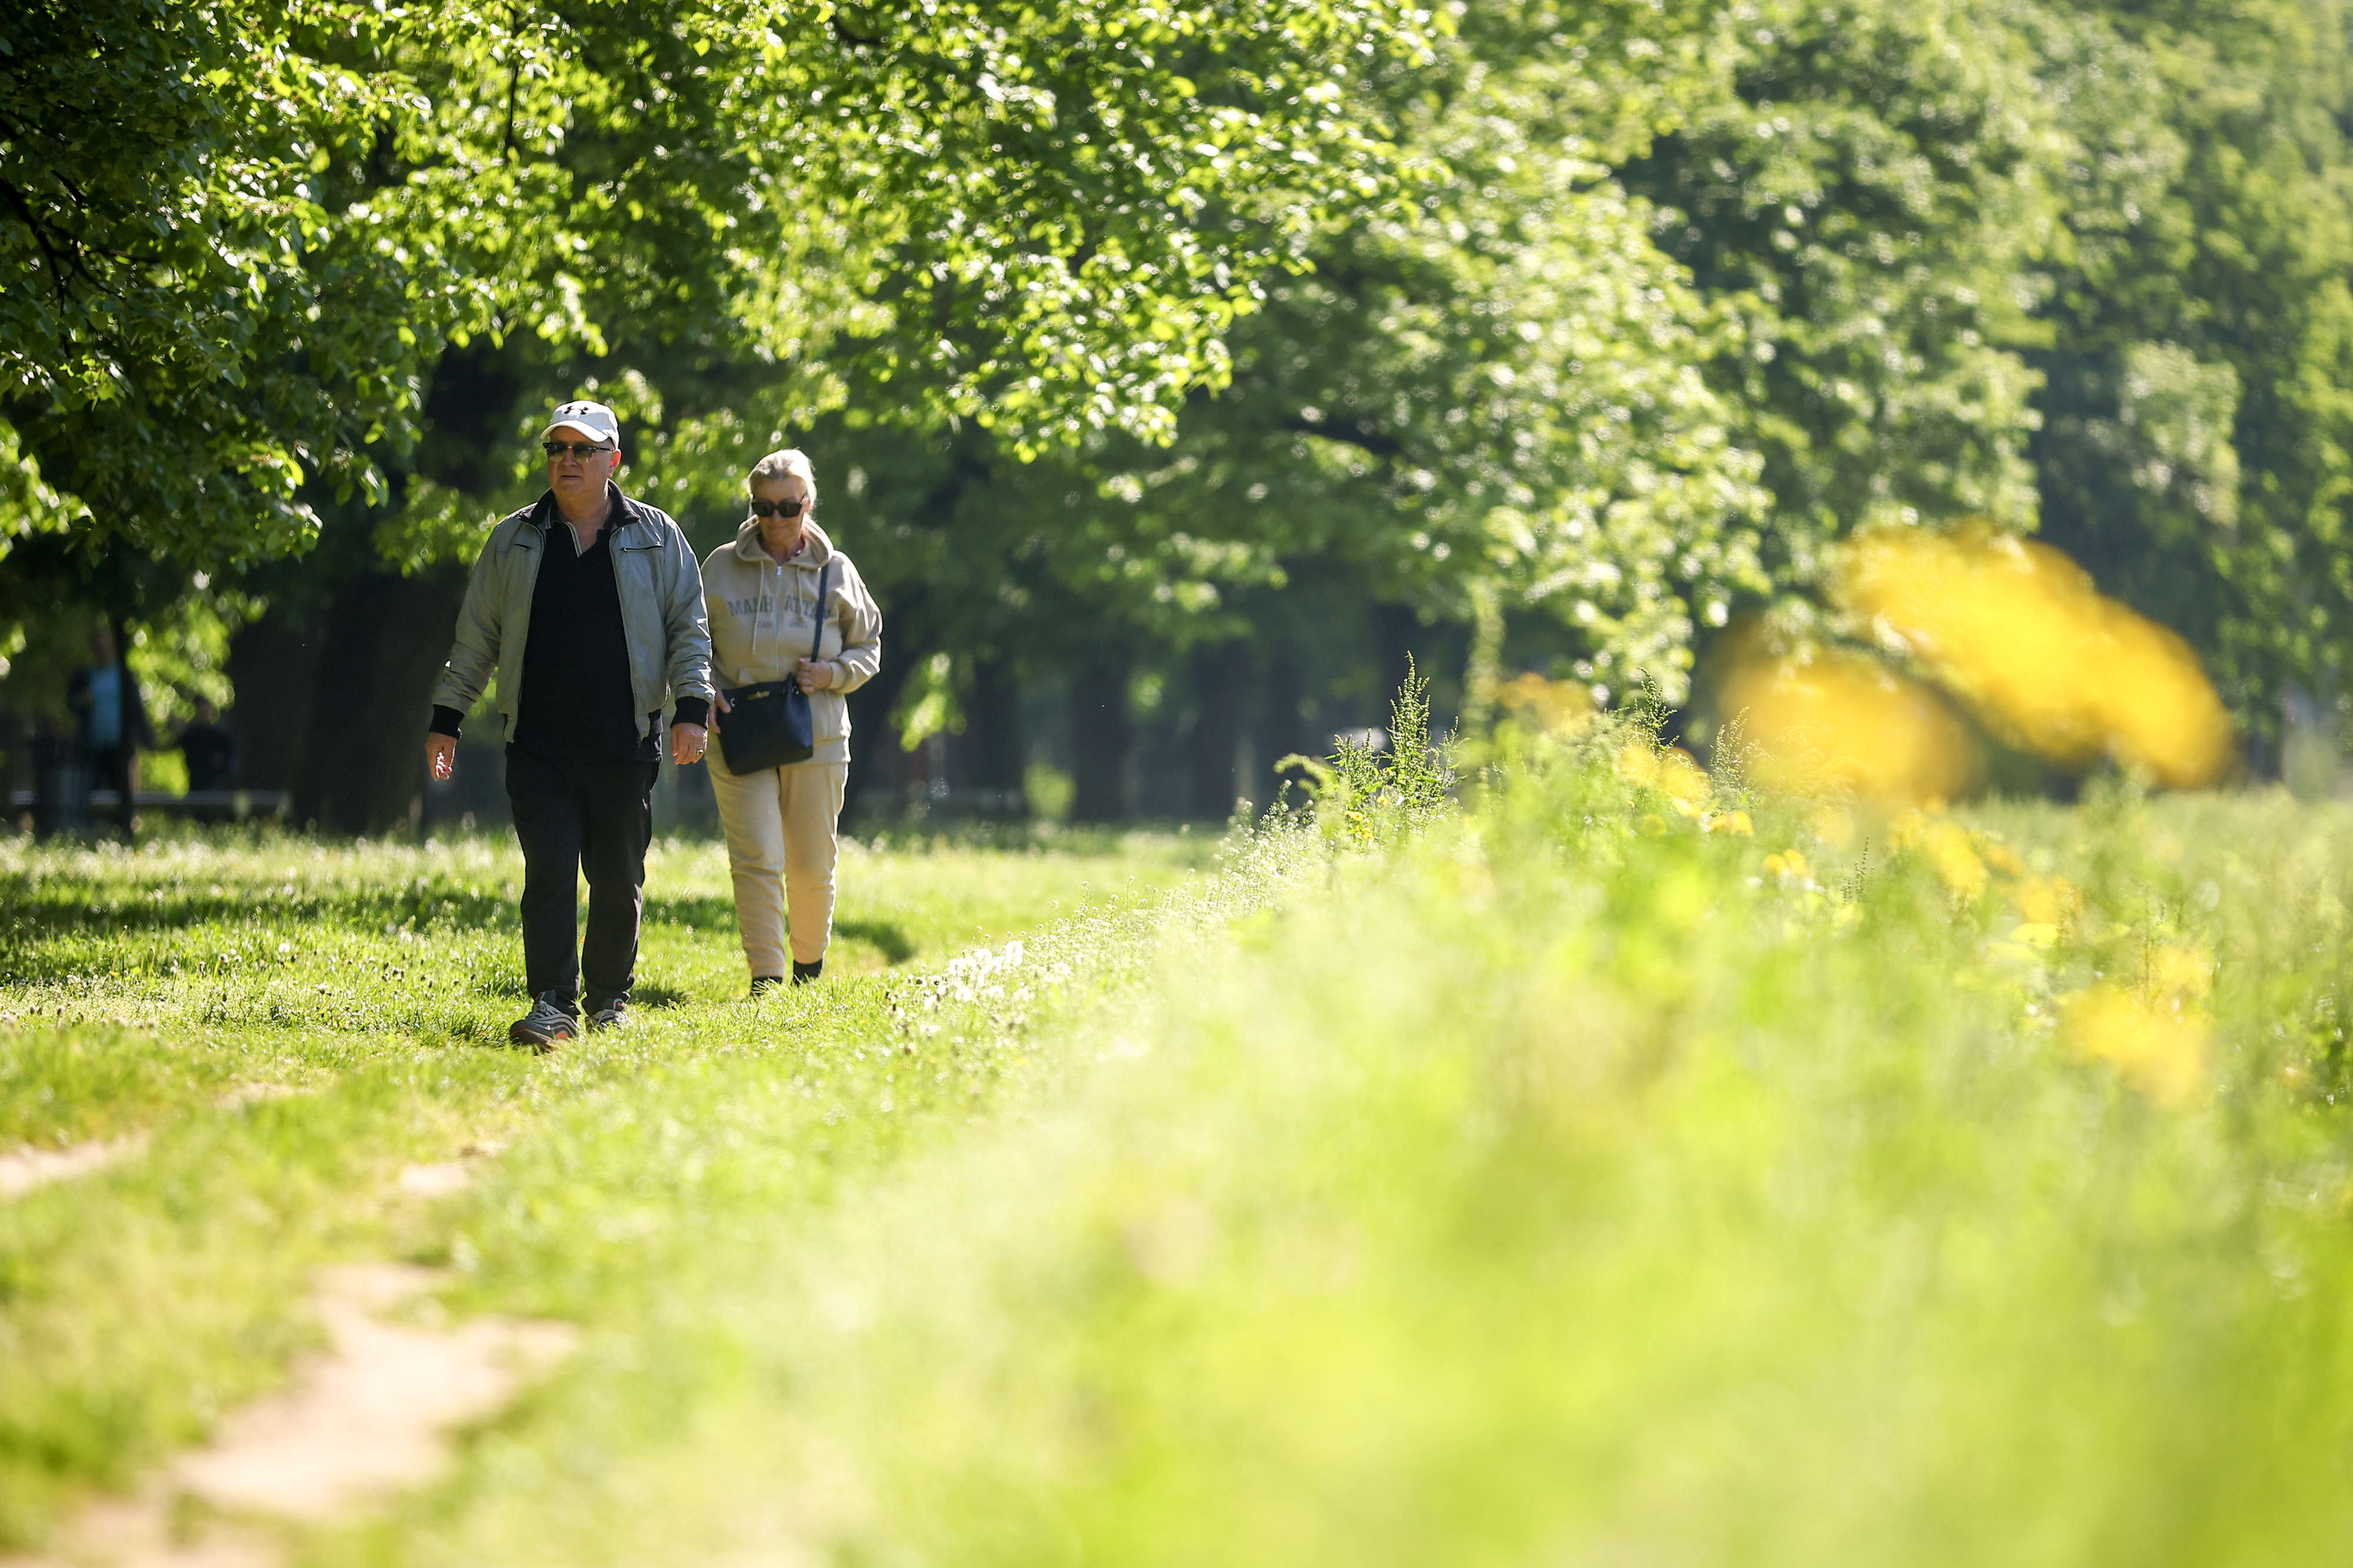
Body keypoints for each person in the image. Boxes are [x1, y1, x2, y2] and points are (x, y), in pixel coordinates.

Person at [424, 399, 714, 1048]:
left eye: (583, 450)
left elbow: (687, 629)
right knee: (549, 874)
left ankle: (609, 997)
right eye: (557, 449)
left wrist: (692, 708)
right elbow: (477, 637)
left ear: (613, 459)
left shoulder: (657, 536)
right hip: (539, 745)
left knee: (616, 878)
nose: (567, 461)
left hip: (624, 741)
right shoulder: (514, 537)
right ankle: (552, 1002)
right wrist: (448, 717)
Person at [702, 449, 882, 994]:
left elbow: (870, 646)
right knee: (756, 857)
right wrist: (700, 691)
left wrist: (831, 673)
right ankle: (767, 979)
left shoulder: (838, 571)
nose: (776, 519)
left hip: (819, 733)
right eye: (764, 507)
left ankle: (808, 970)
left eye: (788, 506)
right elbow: (688, 641)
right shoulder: (719, 567)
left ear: (809, 504)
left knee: (809, 865)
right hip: (738, 730)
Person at [66, 625, 152, 833]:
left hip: (120, 749)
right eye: (99, 646)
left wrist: (147, 739)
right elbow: (71, 702)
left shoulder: (124, 676)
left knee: (123, 795)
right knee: (92, 796)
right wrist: (81, 702)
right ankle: (90, 835)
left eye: (106, 646)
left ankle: (124, 835)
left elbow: (136, 710)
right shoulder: (85, 677)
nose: (103, 650)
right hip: (93, 748)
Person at [175, 696, 237, 792]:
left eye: (204, 708)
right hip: (196, 787)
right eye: (200, 708)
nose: (203, 712)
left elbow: (230, 761)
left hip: (217, 788)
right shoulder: (192, 735)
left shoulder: (220, 736)